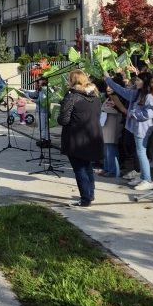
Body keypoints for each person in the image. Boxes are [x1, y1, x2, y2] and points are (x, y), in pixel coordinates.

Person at [105, 70, 153, 191]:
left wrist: (133, 113)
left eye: (139, 80)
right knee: (140, 152)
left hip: (142, 129)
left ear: (144, 82)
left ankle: (148, 180)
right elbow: (121, 90)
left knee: (141, 153)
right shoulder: (137, 93)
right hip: (136, 128)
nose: (136, 81)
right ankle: (143, 176)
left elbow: (150, 112)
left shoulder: (149, 96)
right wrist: (108, 79)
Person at [58, 70, 103, 207]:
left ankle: (85, 199)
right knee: (87, 166)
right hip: (92, 135)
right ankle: (90, 193)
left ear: (72, 81)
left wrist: (58, 116)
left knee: (79, 169)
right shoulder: (95, 95)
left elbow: (64, 120)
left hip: (76, 137)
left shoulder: (72, 96)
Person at [95, 85, 122, 178]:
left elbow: (120, 110)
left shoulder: (117, 98)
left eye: (110, 87)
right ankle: (107, 168)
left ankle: (113, 170)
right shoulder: (109, 98)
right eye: (107, 87)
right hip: (106, 125)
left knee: (111, 149)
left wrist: (103, 109)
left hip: (113, 126)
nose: (108, 88)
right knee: (106, 149)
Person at [22, 77, 52, 146]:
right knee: (43, 126)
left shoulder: (45, 89)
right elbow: (34, 94)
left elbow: (42, 101)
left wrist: (33, 100)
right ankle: (45, 139)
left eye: (39, 81)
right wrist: (25, 91)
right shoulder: (41, 89)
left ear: (44, 81)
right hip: (42, 110)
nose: (38, 83)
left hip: (43, 111)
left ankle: (45, 140)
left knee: (43, 126)